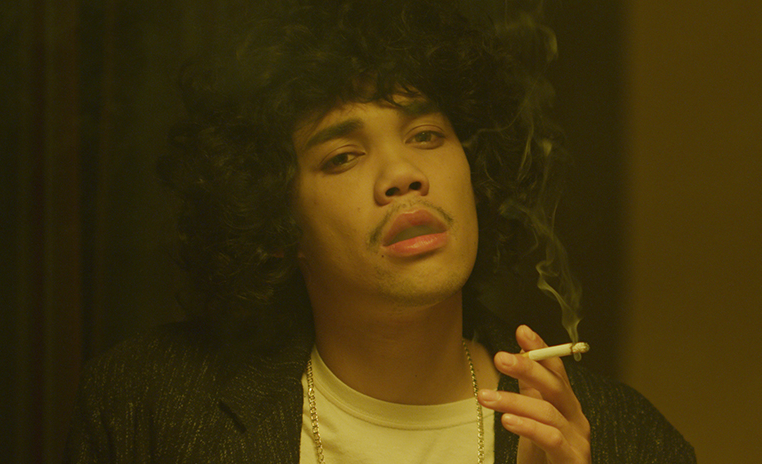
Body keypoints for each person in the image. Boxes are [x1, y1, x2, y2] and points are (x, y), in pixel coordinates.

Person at [64, 0, 696, 462]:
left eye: (427, 136)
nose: (403, 175)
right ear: (274, 219)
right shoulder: (149, 404)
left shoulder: (626, 440)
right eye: (343, 156)